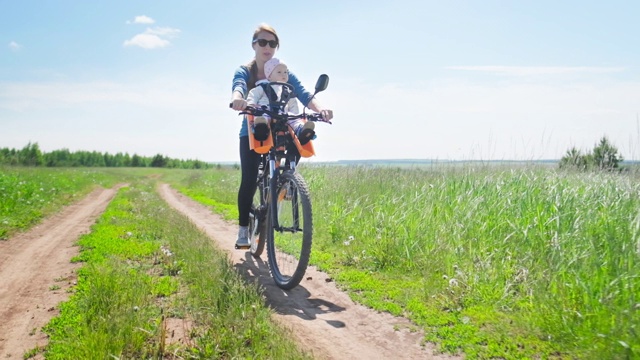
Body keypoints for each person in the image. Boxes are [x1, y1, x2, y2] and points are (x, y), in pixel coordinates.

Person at [230, 23, 334, 248]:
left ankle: (287, 179)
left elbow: (304, 94)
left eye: (272, 43)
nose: (268, 47)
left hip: (281, 126)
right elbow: (238, 86)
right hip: (253, 130)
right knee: (248, 179)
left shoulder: (282, 71)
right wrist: (238, 98)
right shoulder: (245, 71)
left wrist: (321, 109)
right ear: (254, 45)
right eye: (262, 42)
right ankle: (243, 230)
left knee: (300, 134)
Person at [246, 57, 316, 144]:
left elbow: (293, 105)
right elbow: (253, 95)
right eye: (279, 72)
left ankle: (301, 131)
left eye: (286, 72)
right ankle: (261, 128)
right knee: (262, 116)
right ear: (270, 75)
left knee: (294, 119)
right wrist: (251, 104)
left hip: (283, 114)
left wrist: (295, 115)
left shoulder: (287, 90)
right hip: (267, 111)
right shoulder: (263, 87)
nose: (284, 74)